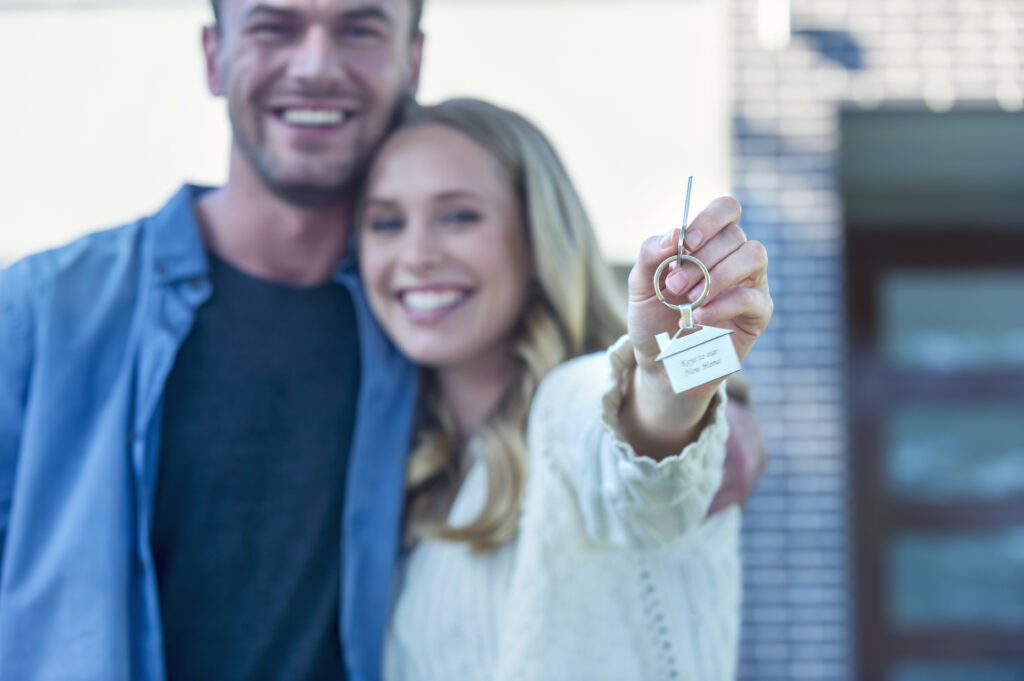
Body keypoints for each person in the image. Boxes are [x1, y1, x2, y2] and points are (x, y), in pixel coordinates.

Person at [0, 1, 765, 679]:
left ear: (413, 58)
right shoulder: (44, 309)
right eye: (274, 25)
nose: (315, 64)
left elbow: (610, 421)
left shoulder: (452, 346)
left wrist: (693, 387)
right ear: (212, 54)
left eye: (360, 27)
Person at [356, 98, 772, 680]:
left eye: (458, 217)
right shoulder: (407, 471)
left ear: (535, 239)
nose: (417, 254)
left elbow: (633, 462)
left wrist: (667, 389)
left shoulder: (568, 409)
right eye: (386, 223)